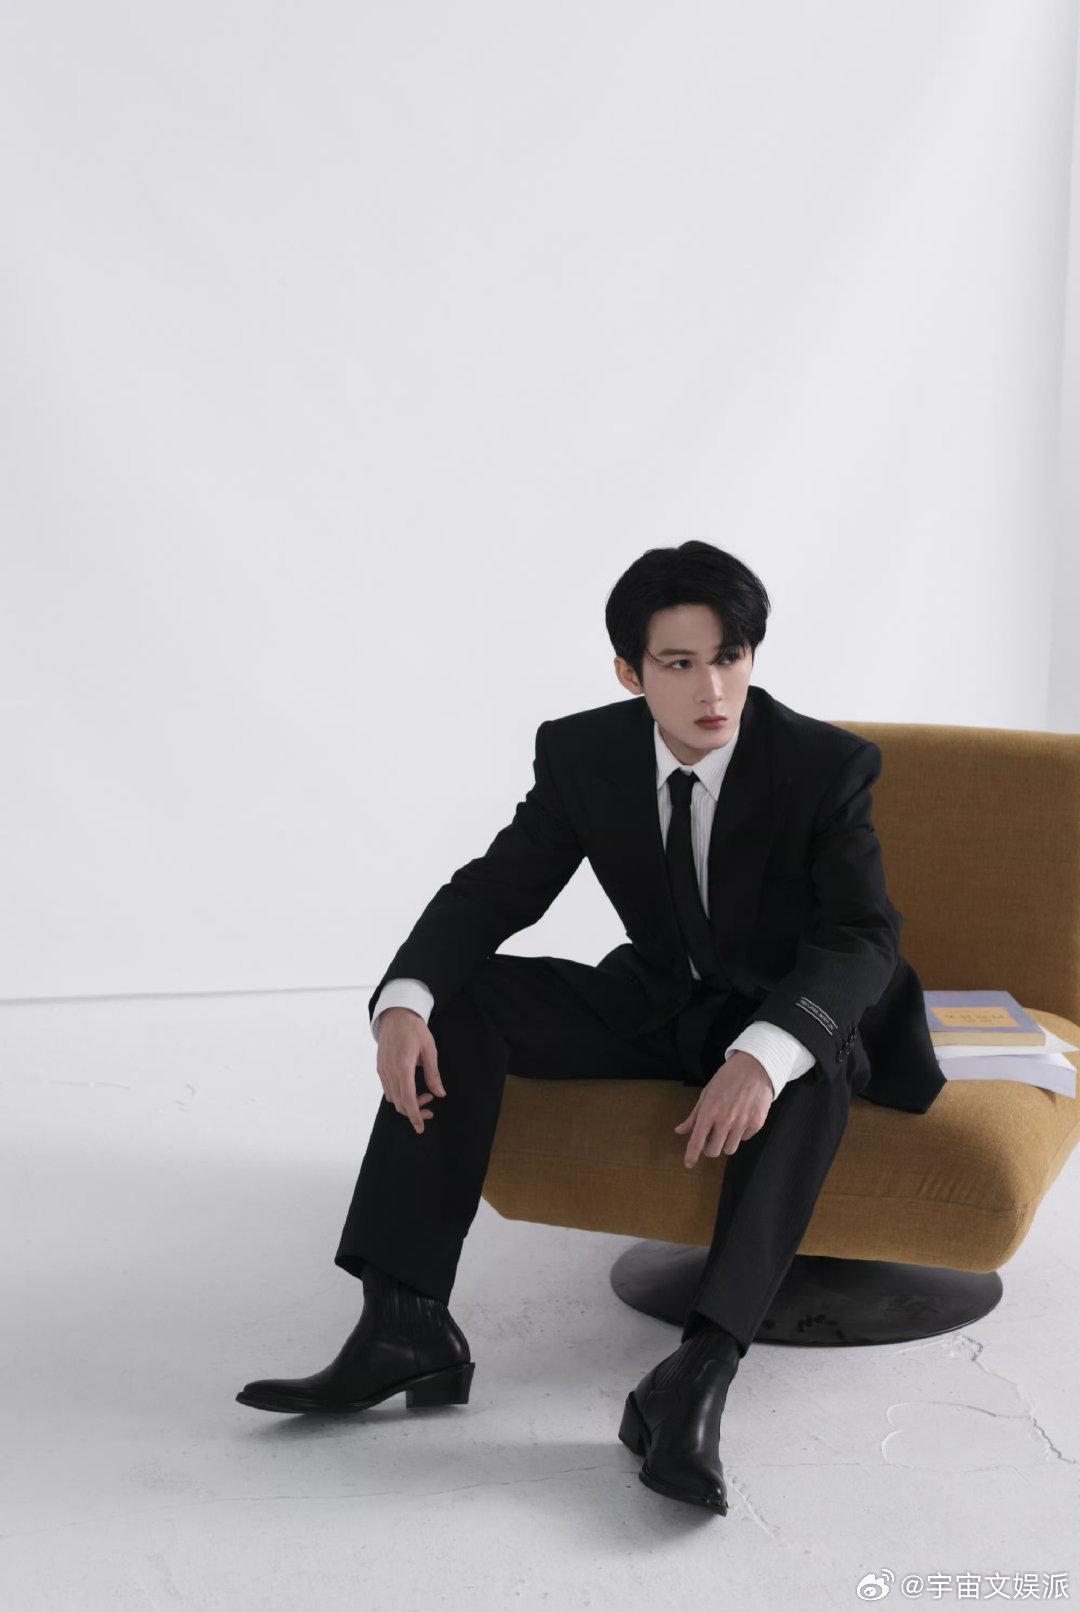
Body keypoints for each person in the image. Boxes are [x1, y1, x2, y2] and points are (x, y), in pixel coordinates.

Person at [237, 540, 944, 1515]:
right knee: (463, 997)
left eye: (730, 656)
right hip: (662, 1001)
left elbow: (864, 939)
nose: (713, 689)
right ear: (629, 672)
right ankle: (404, 1321)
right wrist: (406, 998)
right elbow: (496, 888)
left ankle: (695, 1374)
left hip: (794, 1009)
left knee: (806, 1069)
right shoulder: (584, 755)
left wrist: (762, 1054)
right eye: (680, 663)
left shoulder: (823, 765)